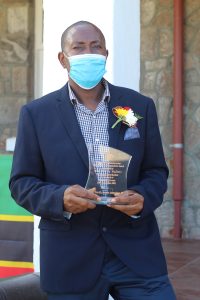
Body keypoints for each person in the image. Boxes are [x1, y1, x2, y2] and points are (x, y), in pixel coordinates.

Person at [9, 21, 176, 300]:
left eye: (95, 46)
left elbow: (156, 170)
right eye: (79, 47)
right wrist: (60, 197)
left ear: (106, 55)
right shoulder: (37, 114)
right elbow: (21, 183)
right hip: (70, 256)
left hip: (136, 253)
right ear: (63, 59)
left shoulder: (139, 105)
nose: (89, 52)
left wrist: (142, 197)